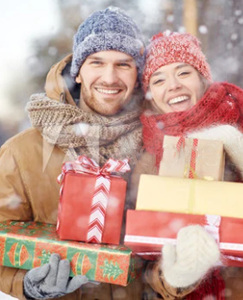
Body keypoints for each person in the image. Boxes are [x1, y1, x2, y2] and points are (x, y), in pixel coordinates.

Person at [132, 31, 243, 299]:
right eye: (158, 79)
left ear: (201, 76)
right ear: (151, 93)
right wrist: (175, 276)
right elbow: (143, 249)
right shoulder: (148, 153)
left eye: (183, 72)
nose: (173, 85)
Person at [0, 6, 148, 300]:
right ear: (78, 71)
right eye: (96, 62)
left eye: (123, 64)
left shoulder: (160, 147)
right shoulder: (21, 153)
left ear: (138, 74)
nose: (109, 77)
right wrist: (27, 285)